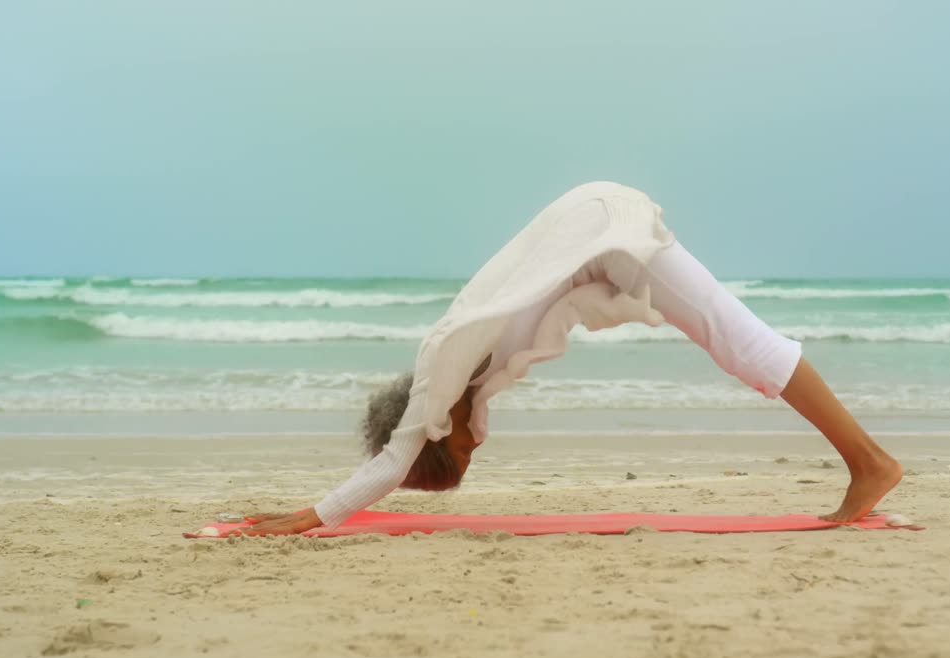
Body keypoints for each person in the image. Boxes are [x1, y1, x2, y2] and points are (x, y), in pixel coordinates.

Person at [232, 181, 901, 536]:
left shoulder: (442, 369)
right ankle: (867, 461)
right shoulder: (466, 383)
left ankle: (870, 464)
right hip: (593, 230)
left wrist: (315, 515)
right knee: (737, 346)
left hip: (601, 230)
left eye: (462, 454)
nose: (477, 449)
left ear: (440, 432)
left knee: (744, 343)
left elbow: (390, 463)